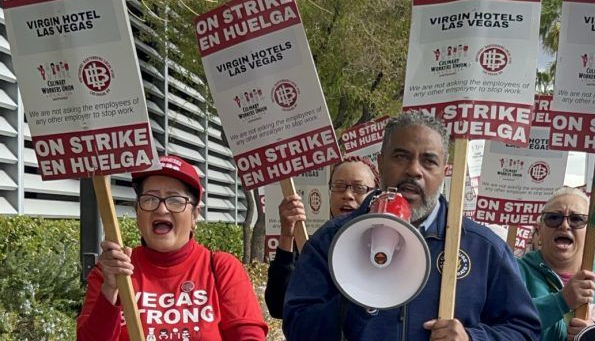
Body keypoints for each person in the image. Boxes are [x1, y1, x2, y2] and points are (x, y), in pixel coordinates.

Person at [283, 113, 541, 340]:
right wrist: (355, 304)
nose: (414, 170)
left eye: (429, 161)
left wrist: (472, 339)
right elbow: (297, 329)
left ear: (445, 171)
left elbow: (524, 330)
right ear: (381, 162)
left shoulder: (482, 248)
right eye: (401, 156)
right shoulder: (330, 241)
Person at [77, 155, 268, 340]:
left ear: (194, 215)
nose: (161, 209)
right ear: (137, 213)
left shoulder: (222, 268)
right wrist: (109, 291)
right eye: (149, 199)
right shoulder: (112, 272)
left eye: (175, 200)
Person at [265, 156, 379, 319]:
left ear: (376, 193)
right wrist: (286, 235)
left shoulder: (389, 244)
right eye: (339, 186)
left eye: (359, 188)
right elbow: (278, 306)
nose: (347, 195)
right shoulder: (316, 248)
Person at [516, 187, 595, 341]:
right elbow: (503, 321)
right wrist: (561, 301)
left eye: (576, 219)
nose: (564, 225)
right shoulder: (514, 271)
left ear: (592, 232)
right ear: (539, 230)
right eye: (554, 218)